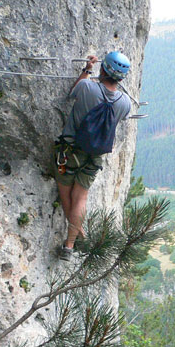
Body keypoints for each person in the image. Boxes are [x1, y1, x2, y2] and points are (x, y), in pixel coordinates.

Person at [53, 51, 132, 261]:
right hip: (95, 157)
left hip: (70, 151)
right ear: (122, 77)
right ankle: (70, 244)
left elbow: (72, 92)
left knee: (66, 196)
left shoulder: (87, 87)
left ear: (103, 69)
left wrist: (88, 69)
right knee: (80, 198)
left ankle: (76, 236)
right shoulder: (125, 103)